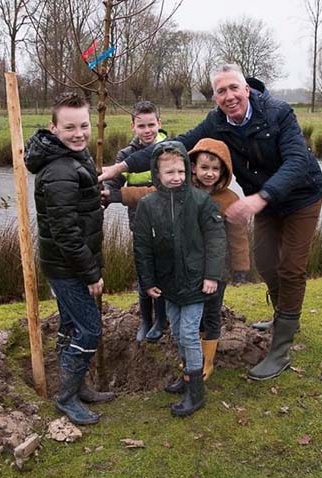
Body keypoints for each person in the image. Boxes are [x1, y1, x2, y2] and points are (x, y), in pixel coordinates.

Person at [99, 64, 322, 382]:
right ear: (215, 97)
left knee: (291, 268)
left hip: (301, 196)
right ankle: (282, 315)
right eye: (221, 91)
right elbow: (173, 146)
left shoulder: (278, 112)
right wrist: (118, 166)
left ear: (246, 88)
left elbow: (297, 160)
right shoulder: (217, 122)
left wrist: (260, 198)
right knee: (267, 263)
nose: (229, 96)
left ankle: (281, 348)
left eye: (234, 88)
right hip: (263, 200)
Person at [24, 92, 114, 426]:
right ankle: (67, 398)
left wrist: (95, 198)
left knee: (72, 325)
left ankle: (79, 387)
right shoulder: (60, 168)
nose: (79, 133)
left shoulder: (71, 157)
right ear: (54, 127)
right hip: (68, 267)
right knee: (89, 329)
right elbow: (65, 233)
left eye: (84, 125)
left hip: (67, 263)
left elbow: (72, 212)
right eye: (70, 127)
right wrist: (91, 274)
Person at [133, 141, 226, 416]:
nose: (176, 177)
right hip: (167, 283)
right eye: (169, 172)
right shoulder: (148, 205)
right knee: (175, 331)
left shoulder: (201, 201)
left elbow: (216, 239)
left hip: (197, 282)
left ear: (187, 169)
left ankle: (196, 393)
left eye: (181, 171)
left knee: (188, 333)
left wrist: (212, 275)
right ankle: (188, 375)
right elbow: (141, 246)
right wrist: (148, 281)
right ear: (157, 174)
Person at [103, 100, 168, 343]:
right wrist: (105, 193)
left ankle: (162, 320)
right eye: (142, 125)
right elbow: (113, 184)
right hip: (139, 224)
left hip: (167, 224)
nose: (147, 130)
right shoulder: (125, 156)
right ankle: (146, 319)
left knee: (162, 272)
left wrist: (118, 195)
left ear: (159, 123)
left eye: (151, 124)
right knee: (144, 273)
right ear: (133, 126)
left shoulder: (171, 149)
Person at [188, 138, 250, 381]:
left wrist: (241, 267)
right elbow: (151, 194)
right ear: (193, 167)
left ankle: (208, 361)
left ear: (224, 171)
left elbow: (238, 236)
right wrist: (119, 194)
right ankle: (193, 354)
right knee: (193, 313)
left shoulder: (230, 199)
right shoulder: (183, 191)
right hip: (190, 267)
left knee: (212, 312)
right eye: (205, 168)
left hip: (217, 270)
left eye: (216, 169)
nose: (210, 174)